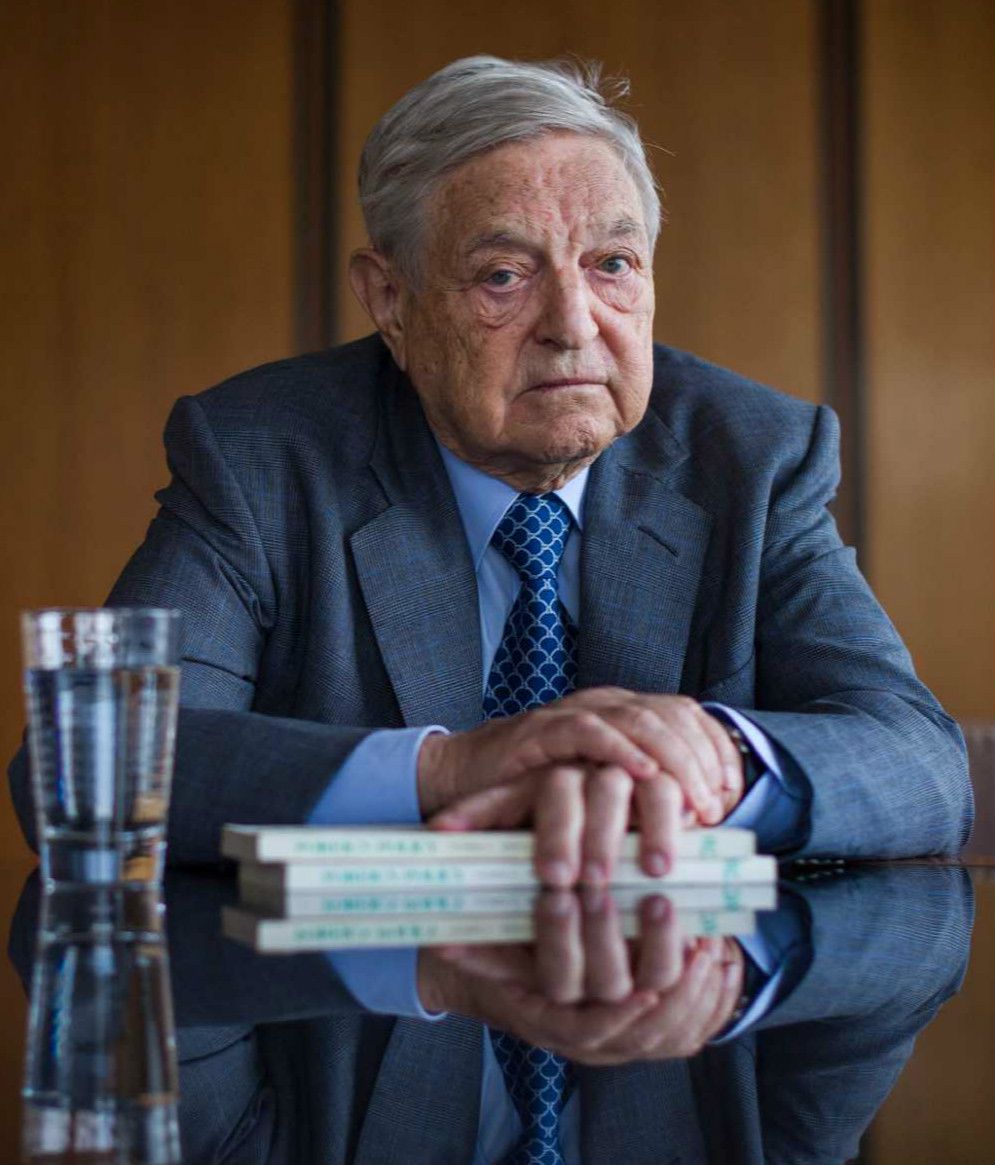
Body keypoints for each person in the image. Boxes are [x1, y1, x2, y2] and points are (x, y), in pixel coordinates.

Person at [7, 53, 974, 1163]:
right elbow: (85, 768)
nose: (574, 324)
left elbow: (921, 765)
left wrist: (711, 756)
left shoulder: (750, 457)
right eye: (503, 277)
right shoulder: (264, 455)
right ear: (391, 300)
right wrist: (451, 768)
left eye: (612, 264)